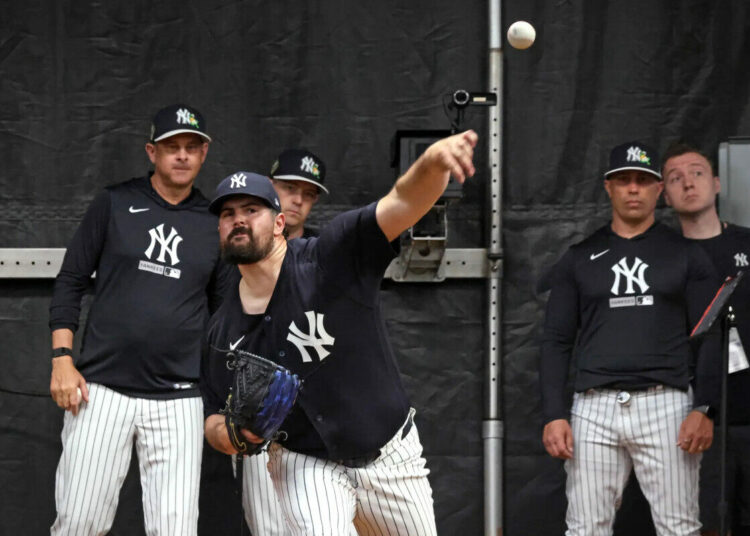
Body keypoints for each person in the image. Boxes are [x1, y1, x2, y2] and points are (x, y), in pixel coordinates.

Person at [200, 130, 478, 535]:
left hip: (390, 454)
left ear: (279, 223)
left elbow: (402, 201)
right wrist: (231, 435)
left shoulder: (331, 258)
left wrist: (432, 164)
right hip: (305, 463)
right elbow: (212, 419)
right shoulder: (222, 332)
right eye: (227, 214)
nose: (238, 219)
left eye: (251, 209)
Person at [48, 104, 231, 535]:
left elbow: (225, 314)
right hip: (101, 390)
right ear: (152, 152)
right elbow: (71, 280)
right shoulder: (114, 202)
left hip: (180, 397)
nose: (182, 155)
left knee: (175, 529)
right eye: (172, 147)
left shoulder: (213, 223)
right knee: (79, 521)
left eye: (192, 147)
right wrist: (61, 358)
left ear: (204, 154)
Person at [540, 141, 721, 536]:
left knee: (680, 528)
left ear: (659, 189)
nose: (634, 189)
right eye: (624, 181)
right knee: (585, 528)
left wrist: (704, 407)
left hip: (668, 405)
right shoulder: (579, 256)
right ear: (609, 188)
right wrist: (554, 413)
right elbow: (555, 340)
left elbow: (711, 336)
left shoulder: (687, 255)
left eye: (643, 181)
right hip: (594, 408)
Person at [662, 142, 750, 536]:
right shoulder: (662, 260)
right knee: (707, 521)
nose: (688, 183)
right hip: (696, 418)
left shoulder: (746, 243)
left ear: (716, 184)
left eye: (696, 173)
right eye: (675, 178)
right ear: (664, 195)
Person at [241, 148, 330, 536]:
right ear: (270, 189)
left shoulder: (324, 253)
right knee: (268, 526)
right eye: (289, 188)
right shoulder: (240, 252)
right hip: (261, 407)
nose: (297, 199)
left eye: (308, 194)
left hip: (318, 411)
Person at [270, 148, 328, 239]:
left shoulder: (323, 249)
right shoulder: (243, 242)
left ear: (315, 199)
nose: (298, 201)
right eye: (290, 188)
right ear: (269, 185)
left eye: (309, 194)